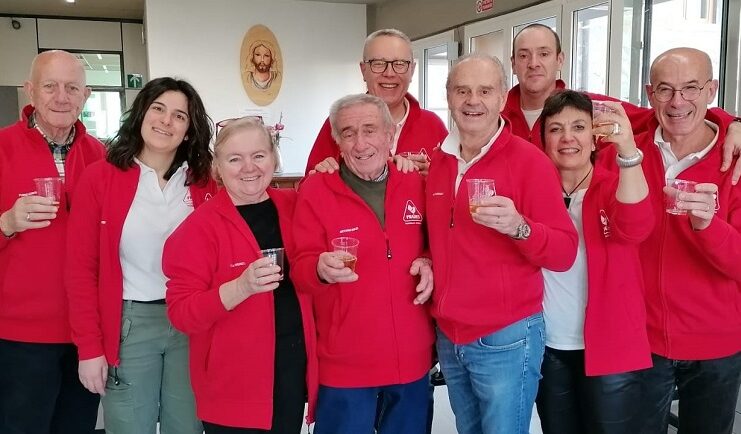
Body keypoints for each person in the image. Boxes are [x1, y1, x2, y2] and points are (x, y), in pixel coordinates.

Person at [425, 53, 578, 434]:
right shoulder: (440, 160)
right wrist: (427, 259)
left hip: (506, 336)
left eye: (484, 91)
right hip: (450, 334)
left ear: (500, 97)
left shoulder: (530, 162)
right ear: (448, 95)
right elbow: (441, 235)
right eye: (462, 90)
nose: (472, 101)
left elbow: (564, 251)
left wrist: (519, 227)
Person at [599, 47, 740, 434]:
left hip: (716, 343)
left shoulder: (735, 162)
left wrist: (708, 226)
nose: (678, 101)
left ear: (711, 90)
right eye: (665, 89)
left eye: (691, 88)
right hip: (641, 339)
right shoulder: (621, 154)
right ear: (650, 94)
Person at [65, 77, 217, 434]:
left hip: (191, 322)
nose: (166, 121)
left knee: (188, 427)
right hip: (129, 324)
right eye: (158, 109)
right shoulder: (100, 178)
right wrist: (89, 347)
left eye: (179, 116)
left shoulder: (203, 182)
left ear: (189, 130)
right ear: (141, 114)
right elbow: (80, 269)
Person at [163, 117, 317, 434]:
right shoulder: (198, 229)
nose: (249, 167)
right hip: (232, 389)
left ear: (274, 158)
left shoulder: (294, 206)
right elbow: (181, 314)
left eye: (258, 155)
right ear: (218, 167)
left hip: (290, 374)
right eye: (235, 159)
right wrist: (240, 288)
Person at [292, 93, 435, 434]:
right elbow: (299, 269)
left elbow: (440, 244)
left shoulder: (416, 183)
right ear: (338, 142)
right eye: (349, 133)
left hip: (411, 360)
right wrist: (319, 269)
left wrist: (429, 260)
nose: (360, 143)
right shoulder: (315, 190)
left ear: (389, 135)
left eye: (370, 130)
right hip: (346, 366)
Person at [535, 90, 653, 434]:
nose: (567, 137)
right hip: (548, 347)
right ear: (544, 139)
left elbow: (635, 227)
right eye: (555, 129)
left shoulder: (615, 186)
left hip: (611, 348)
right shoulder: (535, 192)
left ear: (594, 136)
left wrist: (627, 150)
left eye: (578, 127)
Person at [0, 49, 104, 434]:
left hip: (85, 333)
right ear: (30, 90)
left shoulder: (100, 155)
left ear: (85, 95)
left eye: (72, 88)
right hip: (19, 337)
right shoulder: (2, 147)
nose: (62, 97)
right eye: (50, 86)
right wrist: (6, 222)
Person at [506, 23, 741, 182]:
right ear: (513, 64)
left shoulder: (592, 107)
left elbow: (666, 111)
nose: (533, 63)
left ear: (560, 60)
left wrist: (733, 123)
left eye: (544, 53)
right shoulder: (495, 114)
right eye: (524, 55)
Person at [304, 28, 448, 176]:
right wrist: (321, 176)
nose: (389, 73)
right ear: (363, 70)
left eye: (399, 64)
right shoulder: (340, 122)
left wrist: (433, 178)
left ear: (412, 70)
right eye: (378, 63)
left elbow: (452, 184)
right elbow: (308, 186)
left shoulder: (433, 125)